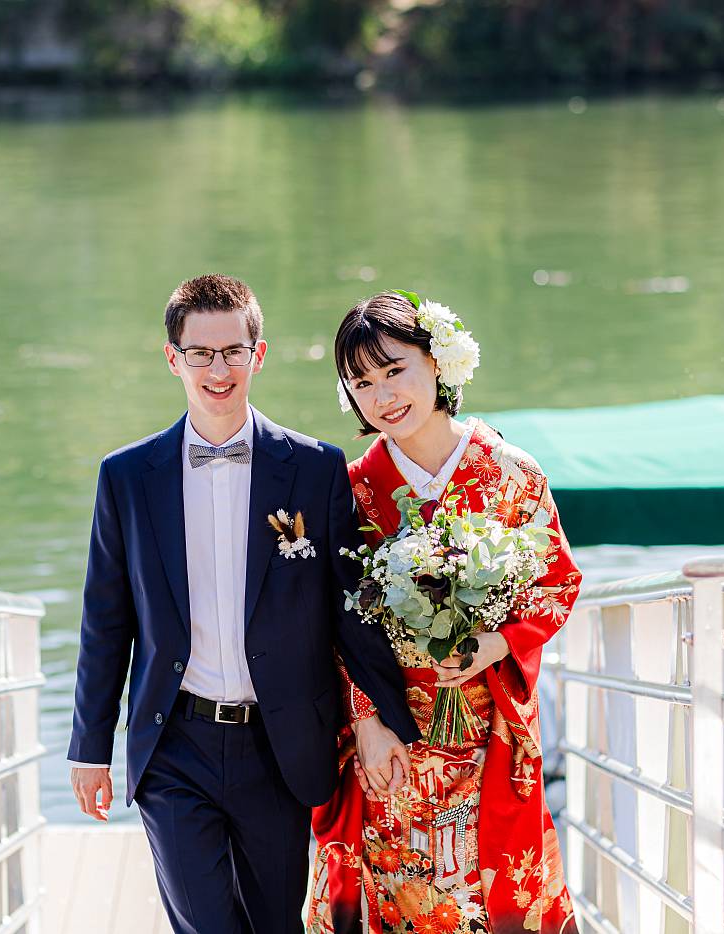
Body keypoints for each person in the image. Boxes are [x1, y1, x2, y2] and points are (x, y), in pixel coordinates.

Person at [68, 274, 421, 934]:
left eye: (233, 351)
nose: (217, 369)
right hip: (174, 744)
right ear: (173, 358)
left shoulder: (315, 469)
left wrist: (379, 715)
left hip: (280, 743)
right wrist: (89, 747)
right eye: (199, 353)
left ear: (259, 355)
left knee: (275, 924)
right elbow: (105, 619)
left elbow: (349, 606)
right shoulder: (127, 478)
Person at [309, 291, 582, 934]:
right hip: (391, 731)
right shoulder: (352, 489)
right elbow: (330, 621)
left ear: (437, 362)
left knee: (494, 888)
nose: (383, 395)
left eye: (395, 369)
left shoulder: (511, 472)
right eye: (362, 382)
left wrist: (497, 642)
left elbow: (557, 581)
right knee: (400, 891)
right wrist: (368, 720)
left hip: (487, 722)